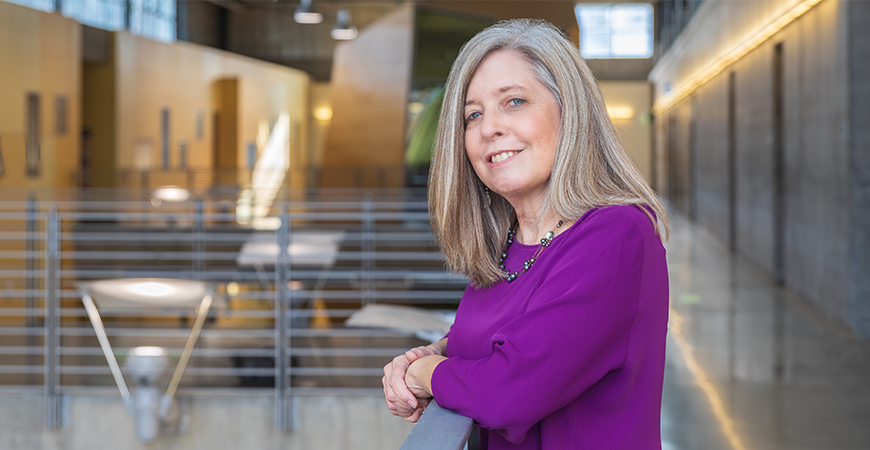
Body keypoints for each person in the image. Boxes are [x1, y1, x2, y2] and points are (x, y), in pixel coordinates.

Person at [382, 19, 670, 449]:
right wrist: (433, 354)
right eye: (473, 114)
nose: (488, 128)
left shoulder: (617, 234)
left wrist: (423, 375)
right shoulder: (509, 244)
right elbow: (517, 340)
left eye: (514, 101)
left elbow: (506, 390)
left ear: (569, 109)